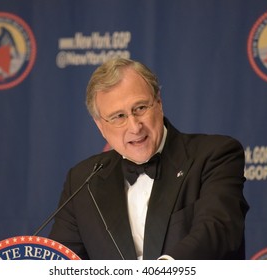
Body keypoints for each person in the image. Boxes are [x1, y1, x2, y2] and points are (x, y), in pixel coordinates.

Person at [48, 58, 249, 260]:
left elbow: (218, 230)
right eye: (119, 116)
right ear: (100, 126)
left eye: (141, 108)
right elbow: (60, 262)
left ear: (159, 103)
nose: (135, 127)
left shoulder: (215, 155)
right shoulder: (83, 181)